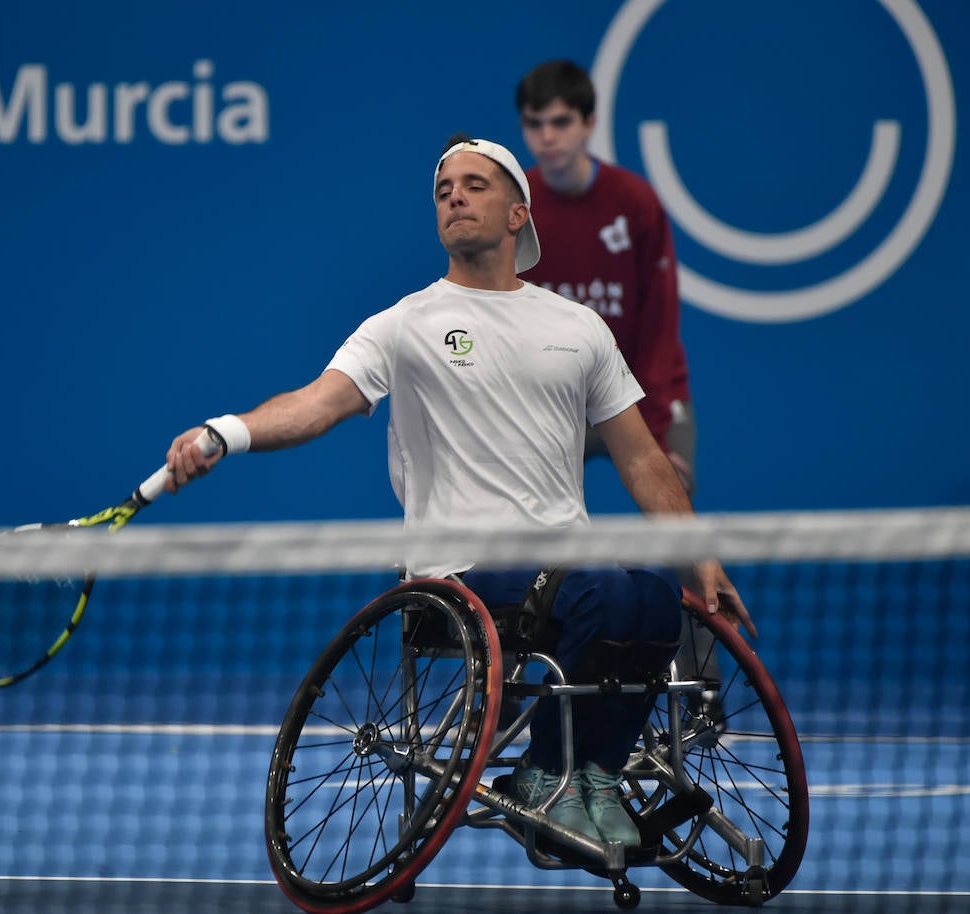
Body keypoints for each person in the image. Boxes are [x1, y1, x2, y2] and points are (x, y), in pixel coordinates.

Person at [162, 134, 756, 849]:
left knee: (656, 596)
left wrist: (701, 560)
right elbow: (318, 404)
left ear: (517, 214)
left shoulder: (578, 328)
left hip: (568, 571)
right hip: (460, 578)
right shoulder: (404, 324)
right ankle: (543, 775)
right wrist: (227, 430)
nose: (454, 197)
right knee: (599, 591)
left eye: (475, 185)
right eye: (444, 190)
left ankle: (593, 775)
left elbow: (643, 460)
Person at [515, 59, 723, 707]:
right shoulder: (514, 205)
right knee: (517, 514)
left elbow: (660, 326)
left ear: (589, 124)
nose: (547, 136)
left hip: (640, 395)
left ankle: (701, 682)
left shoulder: (635, 203)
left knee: (676, 517)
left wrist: (661, 439)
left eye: (561, 122)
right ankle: (526, 675)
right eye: (534, 124)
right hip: (557, 405)